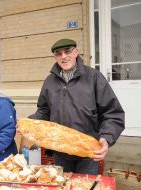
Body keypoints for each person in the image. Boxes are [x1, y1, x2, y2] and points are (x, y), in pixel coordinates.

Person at [29, 38, 125, 174]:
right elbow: (44, 110)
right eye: (58, 53)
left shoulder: (94, 77)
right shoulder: (50, 81)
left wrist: (106, 137)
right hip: (60, 150)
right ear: (55, 57)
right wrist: (29, 123)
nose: (64, 57)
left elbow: (112, 113)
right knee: (63, 185)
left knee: (84, 185)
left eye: (67, 51)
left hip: (88, 152)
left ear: (76, 52)